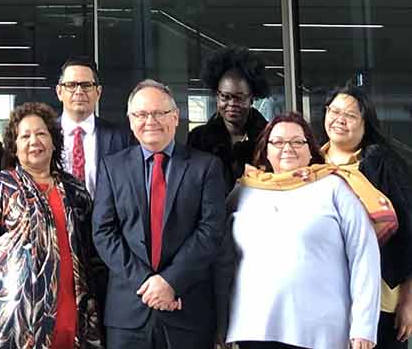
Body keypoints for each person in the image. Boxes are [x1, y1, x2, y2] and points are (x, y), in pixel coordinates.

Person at [224, 113, 380, 349]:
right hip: (254, 327)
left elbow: (364, 256)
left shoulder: (334, 186)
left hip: (320, 330)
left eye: (297, 141)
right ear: (265, 150)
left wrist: (364, 326)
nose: (288, 148)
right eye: (277, 142)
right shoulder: (243, 191)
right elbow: (221, 256)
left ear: (310, 150)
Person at [92, 80, 226, 349]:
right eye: (141, 114)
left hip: (187, 309)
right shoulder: (112, 167)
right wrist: (147, 283)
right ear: (130, 121)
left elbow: (211, 231)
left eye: (159, 113)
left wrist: (171, 282)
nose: (150, 121)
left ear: (175, 117)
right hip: (128, 313)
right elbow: (104, 232)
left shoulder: (206, 166)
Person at [0, 102, 105, 349]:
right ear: (14, 146)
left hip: (73, 310)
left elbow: (92, 252)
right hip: (14, 318)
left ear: (53, 141)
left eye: (41, 134)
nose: (34, 141)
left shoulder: (75, 189)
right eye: (25, 136)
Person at [323, 86, 412, 349]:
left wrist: (410, 301)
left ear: (365, 123)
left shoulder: (382, 164)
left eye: (350, 115)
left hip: (379, 300)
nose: (339, 119)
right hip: (326, 299)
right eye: (334, 111)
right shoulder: (310, 164)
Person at [187, 47, 271, 183]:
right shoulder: (198, 139)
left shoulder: (269, 137)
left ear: (252, 98)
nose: (232, 103)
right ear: (217, 96)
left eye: (239, 97)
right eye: (225, 96)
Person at [55, 56, 133, 197]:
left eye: (86, 85)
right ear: (59, 92)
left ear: (98, 92)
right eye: (71, 85)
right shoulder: (45, 134)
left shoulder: (121, 138)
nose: (79, 92)